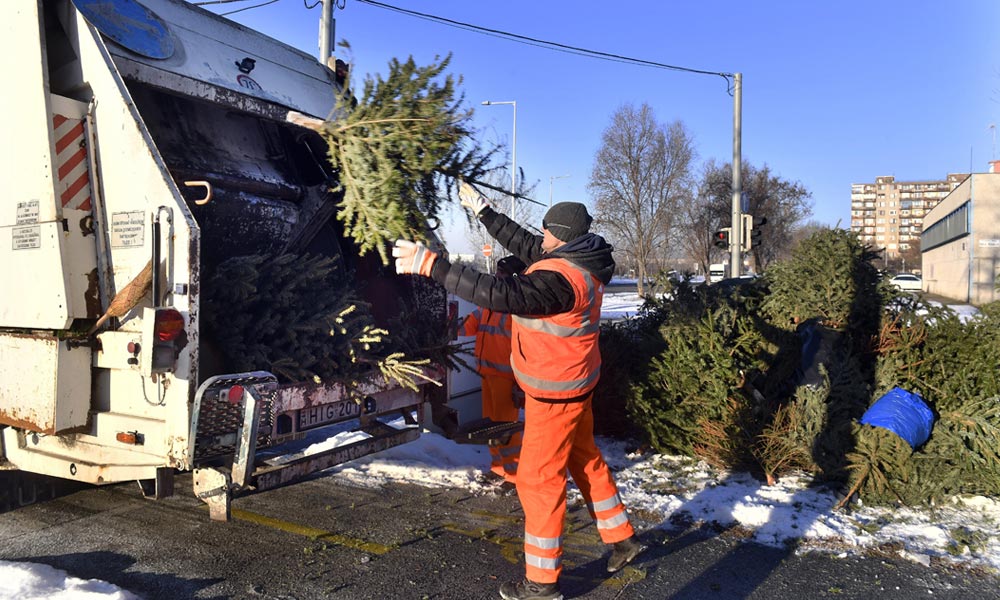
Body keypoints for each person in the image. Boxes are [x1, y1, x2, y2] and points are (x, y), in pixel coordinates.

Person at [392, 184, 646, 600]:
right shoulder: (577, 259)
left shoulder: (560, 282)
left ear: (561, 236)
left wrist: (433, 266)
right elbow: (524, 242)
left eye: (547, 231)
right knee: (584, 459)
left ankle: (542, 585)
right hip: (576, 388)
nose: (540, 237)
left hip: (555, 398)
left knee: (537, 481)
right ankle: (623, 538)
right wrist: (484, 211)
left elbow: (499, 293)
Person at [460, 255, 527, 496]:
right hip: (487, 374)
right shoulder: (490, 303)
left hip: (507, 379)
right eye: (497, 273)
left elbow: (525, 347)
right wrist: (446, 326)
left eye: (502, 274)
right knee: (491, 425)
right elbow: (469, 326)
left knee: (506, 428)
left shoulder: (518, 308)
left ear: (514, 278)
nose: (497, 277)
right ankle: (498, 468)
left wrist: (520, 384)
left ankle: (515, 475)